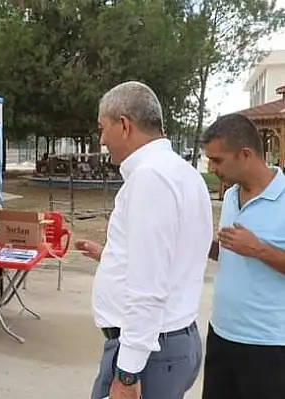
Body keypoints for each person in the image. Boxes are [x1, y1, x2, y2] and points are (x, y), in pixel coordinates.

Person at [75, 81, 213, 399]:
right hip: (168, 342)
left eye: (102, 128)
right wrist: (112, 257)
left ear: (124, 125)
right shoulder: (184, 173)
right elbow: (173, 256)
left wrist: (127, 374)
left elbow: (148, 288)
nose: (101, 139)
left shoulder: (150, 178)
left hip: (149, 353)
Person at [200, 113, 285, 399]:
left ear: (245, 154)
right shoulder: (232, 195)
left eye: (218, 160)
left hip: (269, 347)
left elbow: (248, 249)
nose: (212, 168)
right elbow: (229, 253)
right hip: (221, 335)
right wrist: (199, 242)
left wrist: (257, 249)